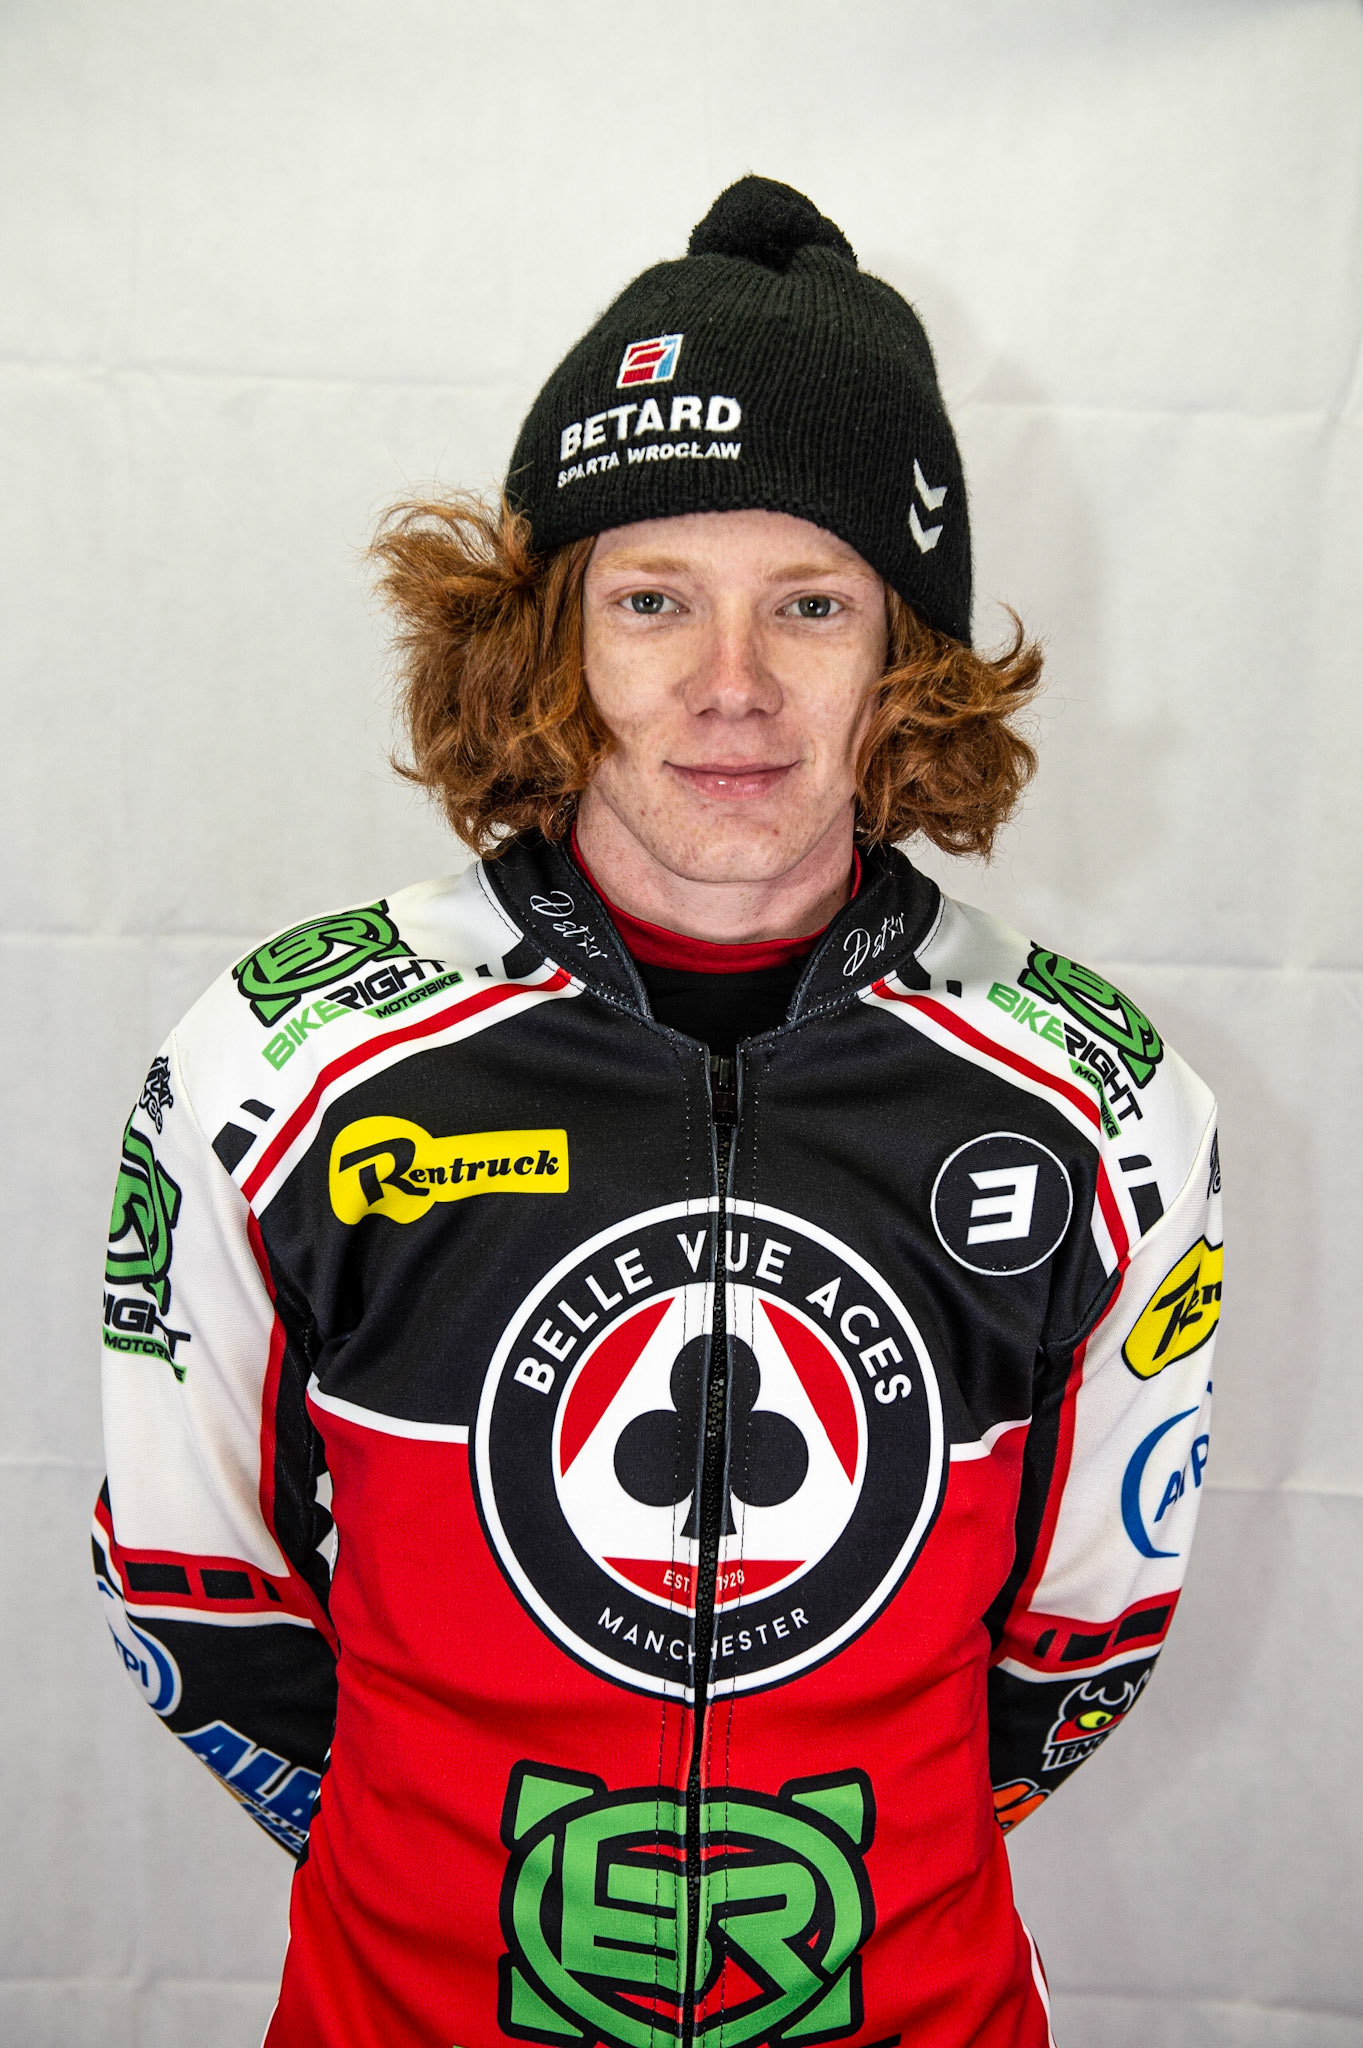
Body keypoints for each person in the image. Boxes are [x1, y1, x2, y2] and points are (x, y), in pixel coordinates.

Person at [94, 177, 1222, 2048]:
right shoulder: (275, 1067)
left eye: (810, 602)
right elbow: (195, 1596)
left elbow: (1083, 1644)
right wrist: (463, 1912)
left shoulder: (1105, 1102)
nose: (731, 688)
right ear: (545, 638)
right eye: (650, 600)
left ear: (904, 651)